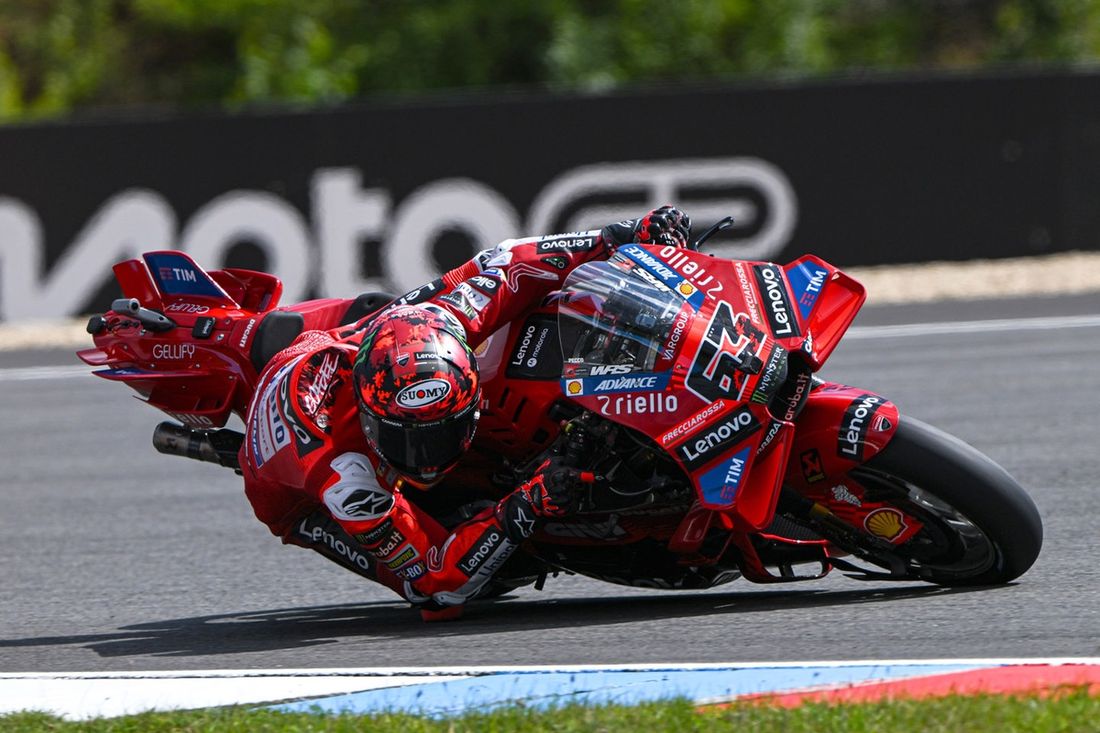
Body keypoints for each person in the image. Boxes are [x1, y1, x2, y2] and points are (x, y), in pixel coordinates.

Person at [240, 206, 692, 619]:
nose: (431, 456)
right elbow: (440, 583)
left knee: (393, 308)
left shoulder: (444, 321)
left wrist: (622, 234)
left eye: (446, 431)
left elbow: (512, 262)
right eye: (412, 441)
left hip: (335, 342)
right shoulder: (347, 481)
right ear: (371, 420)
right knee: (459, 582)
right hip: (297, 497)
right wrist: (527, 503)